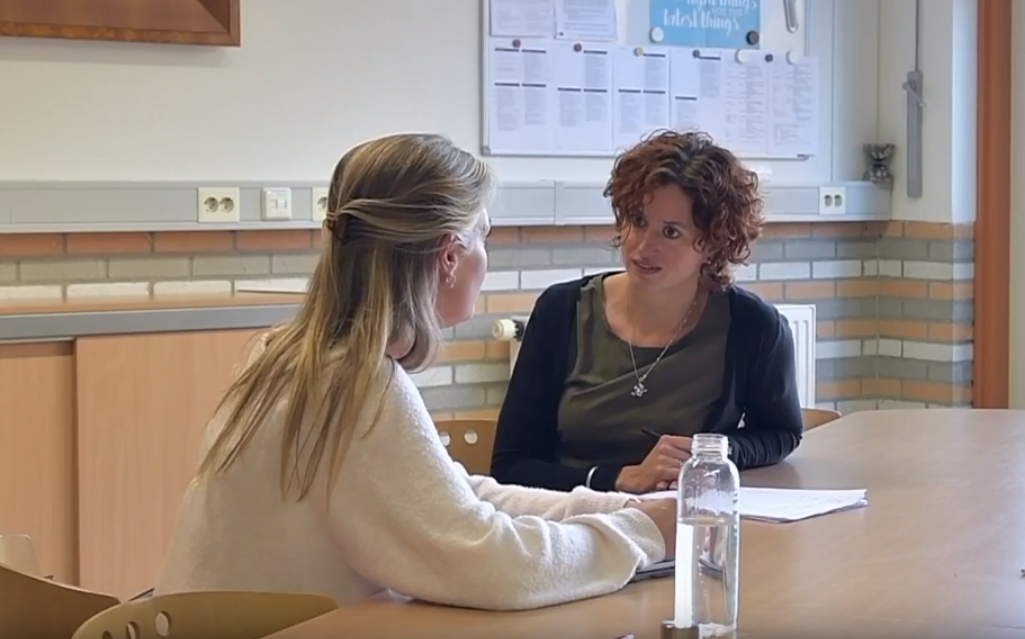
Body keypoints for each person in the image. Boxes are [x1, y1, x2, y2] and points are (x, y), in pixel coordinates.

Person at [153, 133, 675, 612]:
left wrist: (621, 507)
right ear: (449, 256)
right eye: (483, 236)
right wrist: (641, 533)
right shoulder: (356, 388)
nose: (485, 257)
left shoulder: (287, 356)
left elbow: (454, 497)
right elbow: (494, 566)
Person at [490, 130, 803, 495]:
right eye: (638, 221)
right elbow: (511, 466)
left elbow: (781, 433)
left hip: (679, 514)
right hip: (572, 515)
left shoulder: (754, 326)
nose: (642, 247)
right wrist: (620, 478)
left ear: (713, 242)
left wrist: (710, 453)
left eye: (670, 232)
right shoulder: (561, 311)